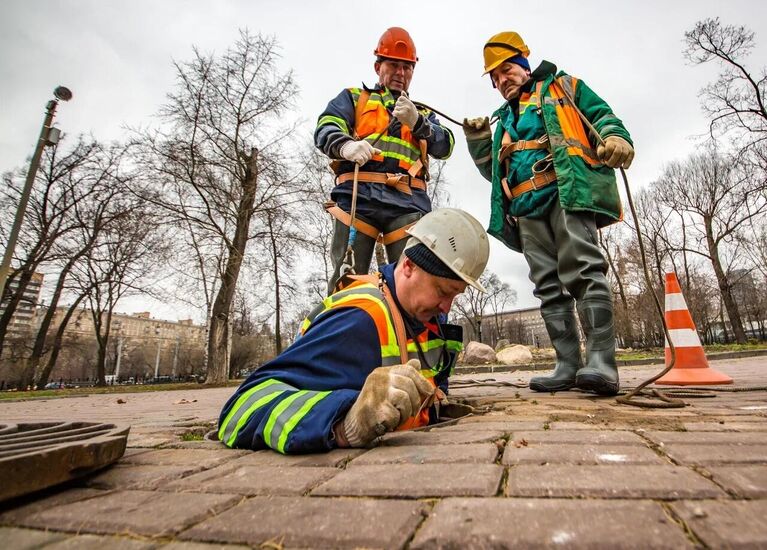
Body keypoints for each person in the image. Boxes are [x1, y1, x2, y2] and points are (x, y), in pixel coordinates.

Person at [218, 208, 489, 454]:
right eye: (442, 291)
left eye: (456, 295)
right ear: (409, 266)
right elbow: (242, 409)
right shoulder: (359, 319)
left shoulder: (427, 313)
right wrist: (345, 423)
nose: (446, 307)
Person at [463, 31, 634, 396]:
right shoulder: (503, 120)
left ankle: (602, 362)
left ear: (525, 63)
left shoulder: (564, 87)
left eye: (506, 70)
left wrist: (616, 138)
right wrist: (478, 142)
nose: (501, 81)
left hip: (566, 193)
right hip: (525, 210)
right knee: (547, 287)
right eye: (494, 78)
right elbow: (492, 172)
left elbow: (602, 116)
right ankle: (567, 365)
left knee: (584, 270)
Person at [315, 27, 455, 294]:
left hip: (407, 204)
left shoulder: (422, 112)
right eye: (393, 65)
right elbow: (326, 126)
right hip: (358, 201)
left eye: (407, 67)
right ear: (378, 66)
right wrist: (345, 145)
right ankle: (340, 331)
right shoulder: (354, 98)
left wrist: (419, 124)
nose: (400, 73)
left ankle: (409, 335)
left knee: (415, 285)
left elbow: (446, 145)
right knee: (346, 283)